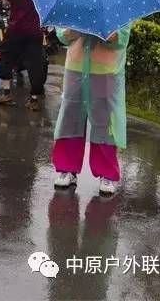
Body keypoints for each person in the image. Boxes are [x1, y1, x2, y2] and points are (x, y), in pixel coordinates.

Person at [51, 26, 130, 196]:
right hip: (76, 68)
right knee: (70, 118)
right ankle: (67, 169)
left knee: (104, 121)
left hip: (105, 71)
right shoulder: (75, 4)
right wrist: (73, 31)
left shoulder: (117, 7)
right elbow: (62, 36)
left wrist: (103, 32)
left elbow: (122, 39)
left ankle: (107, 174)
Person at [0, 0, 44, 111]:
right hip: (35, 31)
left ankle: (6, 92)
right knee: (35, 64)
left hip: (16, 29)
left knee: (6, 58)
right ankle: (34, 99)